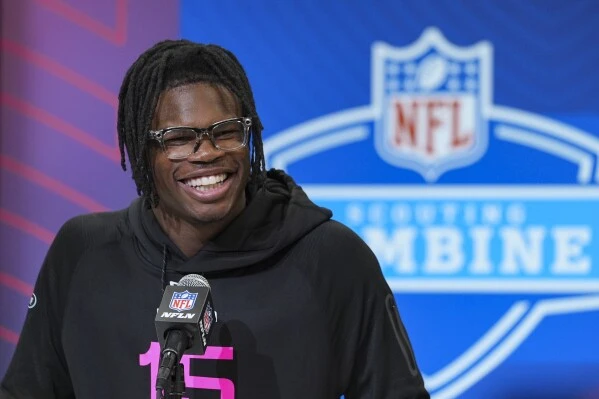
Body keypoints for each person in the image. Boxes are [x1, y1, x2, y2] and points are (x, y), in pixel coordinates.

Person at [0, 39, 430, 399]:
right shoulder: (84, 254)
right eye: (179, 139)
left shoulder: (331, 257)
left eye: (225, 131)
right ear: (143, 153)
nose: (207, 153)